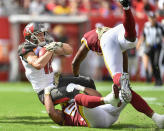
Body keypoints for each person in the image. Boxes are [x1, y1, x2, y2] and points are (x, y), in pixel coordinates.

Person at [18, 22, 98, 106]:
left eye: (42, 34)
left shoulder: (45, 44)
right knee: (73, 90)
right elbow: (38, 65)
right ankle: (75, 115)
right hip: (44, 91)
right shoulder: (25, 48)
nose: (42, 37)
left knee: (88, 82)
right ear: (30, 36)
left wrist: (58, 44)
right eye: (39, 34)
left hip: (55, 82)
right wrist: (50, 50)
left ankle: (96, 106)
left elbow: (69, 51)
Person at [72, 0, 137, 103]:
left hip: (110, 39)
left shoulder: (91, 40)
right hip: (116, 32)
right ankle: (126, 8)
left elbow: (75, 62)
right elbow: (123, 52)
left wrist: (76, 79)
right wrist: (125, 74)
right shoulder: (91, 39)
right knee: (132, 39)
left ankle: (120, 83)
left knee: (116, 74)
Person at [43, 83, 164, 128]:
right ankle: (109, 99)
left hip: (105, 110)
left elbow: (97, 95)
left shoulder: (67, 101)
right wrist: (47, 92)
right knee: (78, 99)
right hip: (96, 121)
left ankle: (156, 118)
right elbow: (50, 112)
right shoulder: (62, 118)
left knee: (126, 91)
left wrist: (80, 87)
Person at [137, 11, 164, 86]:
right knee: (152, 64)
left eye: (153, 18)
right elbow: (143, 36)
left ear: (156, 18)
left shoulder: (160, 26)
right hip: (149, 46)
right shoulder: (146, 26)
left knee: (156, 63)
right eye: (151, 18)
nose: (152, 20)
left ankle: (159, 79)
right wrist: (138, 44)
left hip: (157, 47)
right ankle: (156, 80)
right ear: (148, 18)